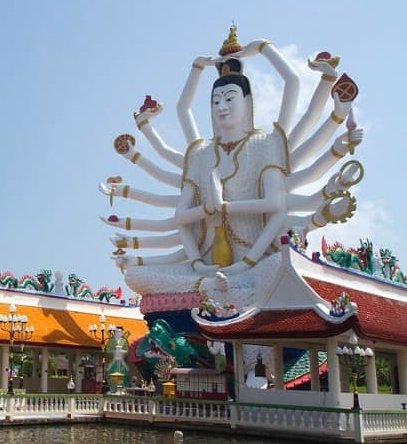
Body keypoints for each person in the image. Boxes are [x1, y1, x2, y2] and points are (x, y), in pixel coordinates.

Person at [107, 27, 361, 311]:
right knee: (136, 275)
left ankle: (223, 291)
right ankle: (212, 287)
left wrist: (261, 47)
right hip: (203, 268)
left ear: (247, 102)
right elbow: (182, 217)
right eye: (215, 101)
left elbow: (276, 205)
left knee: (275, 267)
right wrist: (199, 260)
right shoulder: (201, 153)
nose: (221, 107)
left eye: (229, 98)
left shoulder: (265, 144)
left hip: (255, 264)